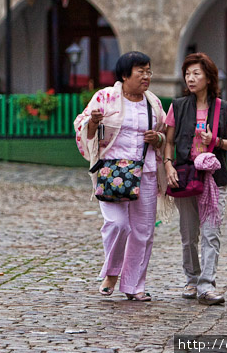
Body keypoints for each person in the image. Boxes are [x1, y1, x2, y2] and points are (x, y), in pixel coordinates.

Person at [74, 51, 168, 301]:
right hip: (112, 172)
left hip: (145, 171)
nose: (146, 76)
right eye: (141, 71)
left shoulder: (153, 103)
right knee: (118, 224)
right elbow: (83, 127)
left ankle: (135, 285)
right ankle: (112, 272)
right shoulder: (104, 97)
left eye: (148, 71)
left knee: (143, 231)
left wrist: (157, 138)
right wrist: (93, 123)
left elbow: (163, 135)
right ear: (125, 75)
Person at [164, 53, 227, 305]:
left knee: (211, 233)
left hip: (214, 179)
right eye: (187, 73)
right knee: (189, 234)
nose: (190, 78)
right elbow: (168, 141)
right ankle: (192, 278)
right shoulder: (178, 106)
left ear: (209, 78)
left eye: (196, 73)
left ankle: (207, 286)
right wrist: (168, 166)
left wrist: (217, 142)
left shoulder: (224, 108)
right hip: (185, 175)